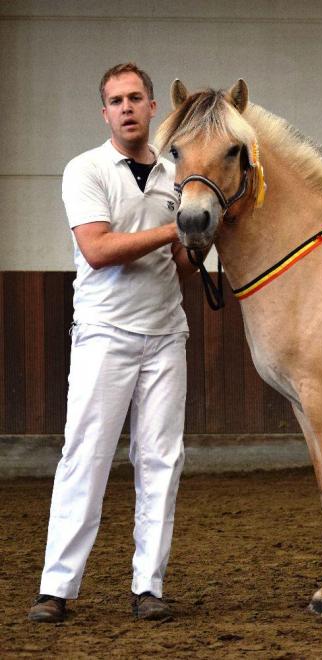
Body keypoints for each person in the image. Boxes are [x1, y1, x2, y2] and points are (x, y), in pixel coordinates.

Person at [28, 63, 195, 623]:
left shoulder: (178, 177)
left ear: (152, 109)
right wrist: (177, 228)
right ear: (105, 113)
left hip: (167, 335)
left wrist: (199, 239)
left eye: (136, 98)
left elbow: (182, 265)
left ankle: (149, 586)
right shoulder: (86, 169)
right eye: (116, 100)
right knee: (86, 457)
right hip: (104, 332)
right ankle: (57, 587)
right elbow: (98, 250)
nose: (126, 107)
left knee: (161, 462)